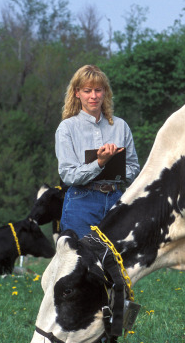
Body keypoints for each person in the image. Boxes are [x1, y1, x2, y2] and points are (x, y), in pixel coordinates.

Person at [55, 65, 140, 238]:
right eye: (87, 91)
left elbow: (134, 169)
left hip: (117, 200)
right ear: (77, 93)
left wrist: (115, 168)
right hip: (81, 202)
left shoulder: (120, 126)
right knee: (81, 261)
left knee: (117, 261)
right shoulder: (67, 128)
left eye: (98, 90)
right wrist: (100, 163)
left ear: (105, 92)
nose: (93, 96)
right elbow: (68, 175)